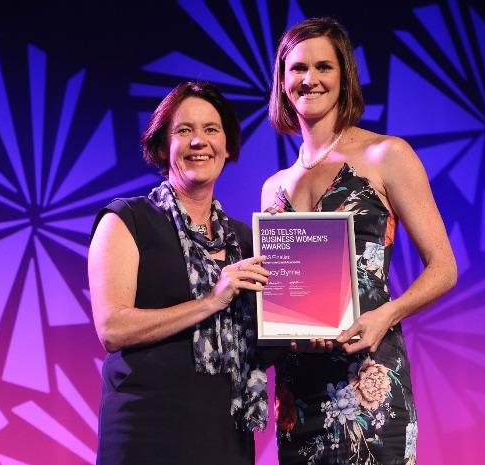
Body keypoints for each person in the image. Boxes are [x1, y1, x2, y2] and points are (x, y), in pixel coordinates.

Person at [261, 17, 457, 465]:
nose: (310, 79)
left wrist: (387, 314)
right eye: (297, 68)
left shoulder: (386, 155)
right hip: (298, 394)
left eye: (323, 67)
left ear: (344, 75)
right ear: (282, 81)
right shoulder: (272, 187)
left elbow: (444, 267)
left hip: (369, 382)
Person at [89, 81, 270, 465]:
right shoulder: (127, 220)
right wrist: (210, 302)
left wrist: (312, 333)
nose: (198, 141)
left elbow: (257, 343)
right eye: (184, 130)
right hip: (147, 432)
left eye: (211, 129)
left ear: (227, 146)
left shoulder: (245, 241)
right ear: (162, 146)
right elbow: (111, 328)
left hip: (226, 434)